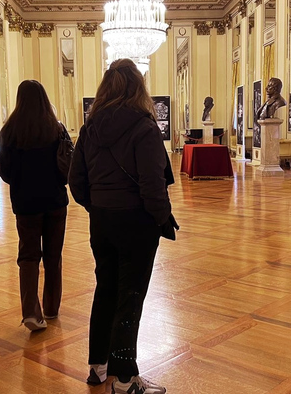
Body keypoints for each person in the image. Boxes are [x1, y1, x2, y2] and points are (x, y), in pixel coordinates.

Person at [69, 59, 171, 394]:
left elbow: (76, 181)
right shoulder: (144, 128)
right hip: (136, 222)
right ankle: (126, 380)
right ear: (138, 88)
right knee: (130, 297)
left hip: (102, 220)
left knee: (106, 290)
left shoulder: (89, 127)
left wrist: (97, 206)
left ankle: (98, 367)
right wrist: (160, 218)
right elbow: (152, 185)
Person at [0, 80, 69, 332]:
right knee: (53, 256)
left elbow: (3, 171)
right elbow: (68, 165)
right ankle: (51, 308)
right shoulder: (56, 129)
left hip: (25, 203)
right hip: (55, 201)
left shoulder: (9, 132)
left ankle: (30, 313)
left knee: (28, 257)